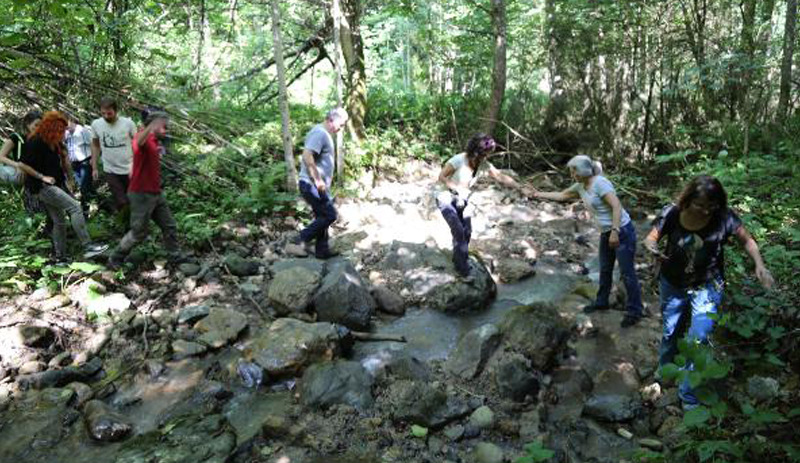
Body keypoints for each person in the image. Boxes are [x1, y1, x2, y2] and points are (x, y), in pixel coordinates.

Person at [644, 175, 774, 408]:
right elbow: (651, 238)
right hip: (673, 283)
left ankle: (687, 395)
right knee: (670, 330)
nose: (706, 211)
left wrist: (759, 264)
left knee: (698, 339)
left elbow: (747, 241)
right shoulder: (672, 213)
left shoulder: (724, 217)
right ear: (688, 200)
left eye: (711, 206)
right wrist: (652, 248)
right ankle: (665, 371)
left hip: (707, 285)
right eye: (700, 205)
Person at [530, 155, 644, 327]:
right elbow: (562, 195)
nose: (572, 173)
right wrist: (536, 193)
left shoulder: (600, 183)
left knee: (627, 273)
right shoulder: (581, 186)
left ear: (583, 170)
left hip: (622, 231)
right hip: (606, 233)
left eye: (573, 170)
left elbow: (616, 206)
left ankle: (635, 311)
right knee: (605, 269)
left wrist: (615, 231)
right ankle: (602, 302)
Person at [17, 111, 108, 263]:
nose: (63, 132)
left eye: (64, 129)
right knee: (75, 207)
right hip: (41, 187)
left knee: (59, 221)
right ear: (50, 127)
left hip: (54, 185)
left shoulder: (54, 142)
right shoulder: (35, 141)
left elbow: (64, 161)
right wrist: (41, 176)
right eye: (60, 129)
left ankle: (60, 257)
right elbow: (22, 164)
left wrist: (71, 179)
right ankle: (88, 247)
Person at [435, 133, 526, 280]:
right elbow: (441, 177)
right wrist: (456, 188)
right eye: (485, 154)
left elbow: (500, 176)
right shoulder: (458, 160)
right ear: (476, 151)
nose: (486, 157)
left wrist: (520, 187)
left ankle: (459, 257)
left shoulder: (482, 164)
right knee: (458, 230)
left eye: (487, 154)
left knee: (467, 230)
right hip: (445, 197)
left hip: (462, 199)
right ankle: (462, 270)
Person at [108, 111, 181, 268]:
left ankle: (175, 256)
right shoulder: (142, 137)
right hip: (141, 194)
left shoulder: (154, 141)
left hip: (155, 192)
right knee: (138, 233)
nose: (166, 130)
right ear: (153, 125)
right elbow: (138, 143)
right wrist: (150, 127)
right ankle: (115, 258)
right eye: (164, 126)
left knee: (169, 226)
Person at [291, 108, 348, 259]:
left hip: (316, 185)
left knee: (321, 216)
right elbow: (307, 155)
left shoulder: (324, 134)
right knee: (330, 215)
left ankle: (322, 251)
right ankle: (301, 238)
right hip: (311, 184)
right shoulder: (320, 133)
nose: (340, 129)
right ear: (331, 120)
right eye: (340, 125)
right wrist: (317, 179)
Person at [90, 97, 136, 214]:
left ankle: (139, 225)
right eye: (103, 113)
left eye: (109, 113)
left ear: (116, 111)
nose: (106, 116)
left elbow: (137, 144)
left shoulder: (128, 124)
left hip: (129, 168)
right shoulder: (96, 124)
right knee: (121, 201)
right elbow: (95, 146)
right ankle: (127, 226)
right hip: (110, 170)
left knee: (134, 199)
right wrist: (94, 167)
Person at [0, 110, 42, 186]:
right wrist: (18, 165)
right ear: (27, 124)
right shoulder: (16, 137)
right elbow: (1, 157)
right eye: (36, 125)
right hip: (18, 172)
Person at [64, 116, 95, 211]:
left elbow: (93, 144)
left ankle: (84, 212)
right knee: (86, 188)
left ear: (71, 120)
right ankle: (104, 205)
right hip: (74, 164)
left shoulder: (82, 131)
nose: (65, 126)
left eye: (66, 123)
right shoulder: (66, 133)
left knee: (84, 188)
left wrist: (93, 160)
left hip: (85, 162)